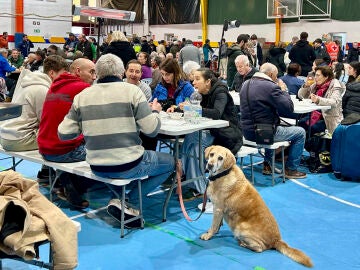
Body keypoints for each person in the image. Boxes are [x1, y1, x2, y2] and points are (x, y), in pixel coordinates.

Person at [57, 53, 175, 227]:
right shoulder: (132, 91)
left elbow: (63, 133)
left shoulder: (82, 96)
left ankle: (122, 200)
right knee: (171, 162)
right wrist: (156, 112)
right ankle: (129, 202)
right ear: (121, 73)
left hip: (96, 165)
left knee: (122, 167)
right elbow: (151, 130)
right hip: (128, 164)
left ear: (97, 73)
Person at [37, 58, 96, 208]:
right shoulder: (83, 88)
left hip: (44, 147)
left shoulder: (55, 85)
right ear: (77, 71)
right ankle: (71, 187)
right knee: (105, 153)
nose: (94, 77)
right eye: (91, 72)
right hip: (60, 150)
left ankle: (64, 183)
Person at [178, 68, 242, 198]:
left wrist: (194, 109)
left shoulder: (220, 92)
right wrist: (179, 109)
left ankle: (199, 187)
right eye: (193, 79)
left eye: (197, 79)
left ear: (208, 81)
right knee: (192, 137)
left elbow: (216, 113)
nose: (193, 82)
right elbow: (197, 111)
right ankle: (184, 174)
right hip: (213, 132)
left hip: (228, 135)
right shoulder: (202, 93)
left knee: (197, 142)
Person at [240, 63, 307, 179]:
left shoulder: (245, 83)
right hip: (262, 133)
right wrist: (284, 90)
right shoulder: (271, 87)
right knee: (300, 132)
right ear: (271, 74)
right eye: (276, 76)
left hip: (246, 131)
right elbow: (288, 107)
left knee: (268, 123)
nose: (277, 78)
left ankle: (268, 164)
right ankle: (291, 169)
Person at [0, 55, 68, 152]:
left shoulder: (28, 81)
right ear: (52, 73)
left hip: (5, 136)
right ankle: (48, 167)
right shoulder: (42, 89)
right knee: (66, 138)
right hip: (20, 139)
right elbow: (46, 122)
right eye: (63, 74)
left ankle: (46, 168)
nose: (64, 78)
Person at [298, 65, 345, 135]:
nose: (315, 78)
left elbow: (334, 102)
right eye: (315, 75)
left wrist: (318, 100)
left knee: (311, 128)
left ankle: (310, 144)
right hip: (314, 114)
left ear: (326, 77)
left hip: (327, 118)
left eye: (318, 75)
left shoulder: (335, 86)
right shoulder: (316, 85)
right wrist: (306, 86)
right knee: (300, 123)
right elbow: (301, 96)